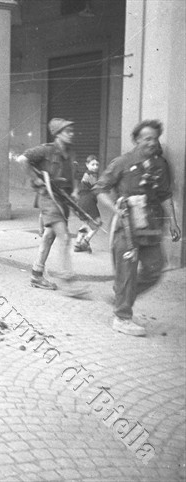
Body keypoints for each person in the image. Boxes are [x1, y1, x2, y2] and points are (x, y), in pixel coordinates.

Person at [94, 119, 181, 336]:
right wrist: (115, 208)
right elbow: (100, 188)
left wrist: (173, 221)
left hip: (151, 226)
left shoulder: (160, 165)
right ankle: (122, 318)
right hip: (127, 227)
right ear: (136, 140)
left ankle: (121, 297)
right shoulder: (122, 162)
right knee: (127, 272)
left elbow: (164, 195)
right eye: (147, 138)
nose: (153, 142)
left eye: (155, 138)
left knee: (155, 269)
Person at [16, 118, 88, 297]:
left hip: (63, 199)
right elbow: (22, 159)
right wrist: (35, 179)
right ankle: (68, 283)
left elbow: (75, 174)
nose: (71, 134)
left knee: (49, 236)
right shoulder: (46, 150)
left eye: (72, 131)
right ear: (57, 133)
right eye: (67, 131)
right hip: (49, 198)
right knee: (64, 238)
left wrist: (76, 190)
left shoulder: (70, 153)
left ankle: (36, 274)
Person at [74, 155, 101, 253]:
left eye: (97, 164)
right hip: (88, 201)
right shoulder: (91, 174)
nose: (95, 167)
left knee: (85, 223)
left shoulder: (87, 174)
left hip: (81, 201)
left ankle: (77, 244)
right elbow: (96, 188)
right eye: (92, 164)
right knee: (97, 222)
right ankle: (86, 241)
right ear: (87, 165)